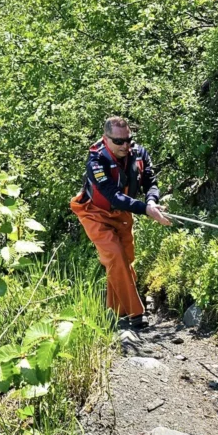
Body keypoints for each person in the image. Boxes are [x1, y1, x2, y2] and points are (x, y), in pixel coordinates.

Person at [70, 116, 171, 329]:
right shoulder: (96, 161)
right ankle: (136, 313)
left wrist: (152, 201)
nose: (125, 145)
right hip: (94, 213)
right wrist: (146, 210)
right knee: (114, 254)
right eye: (119, 141)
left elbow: (150, 183)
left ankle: (116, 311)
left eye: (129, 140)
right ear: (106, 139)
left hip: (122, 214)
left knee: (125, 259)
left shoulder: (139, 154)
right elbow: (112, 196)